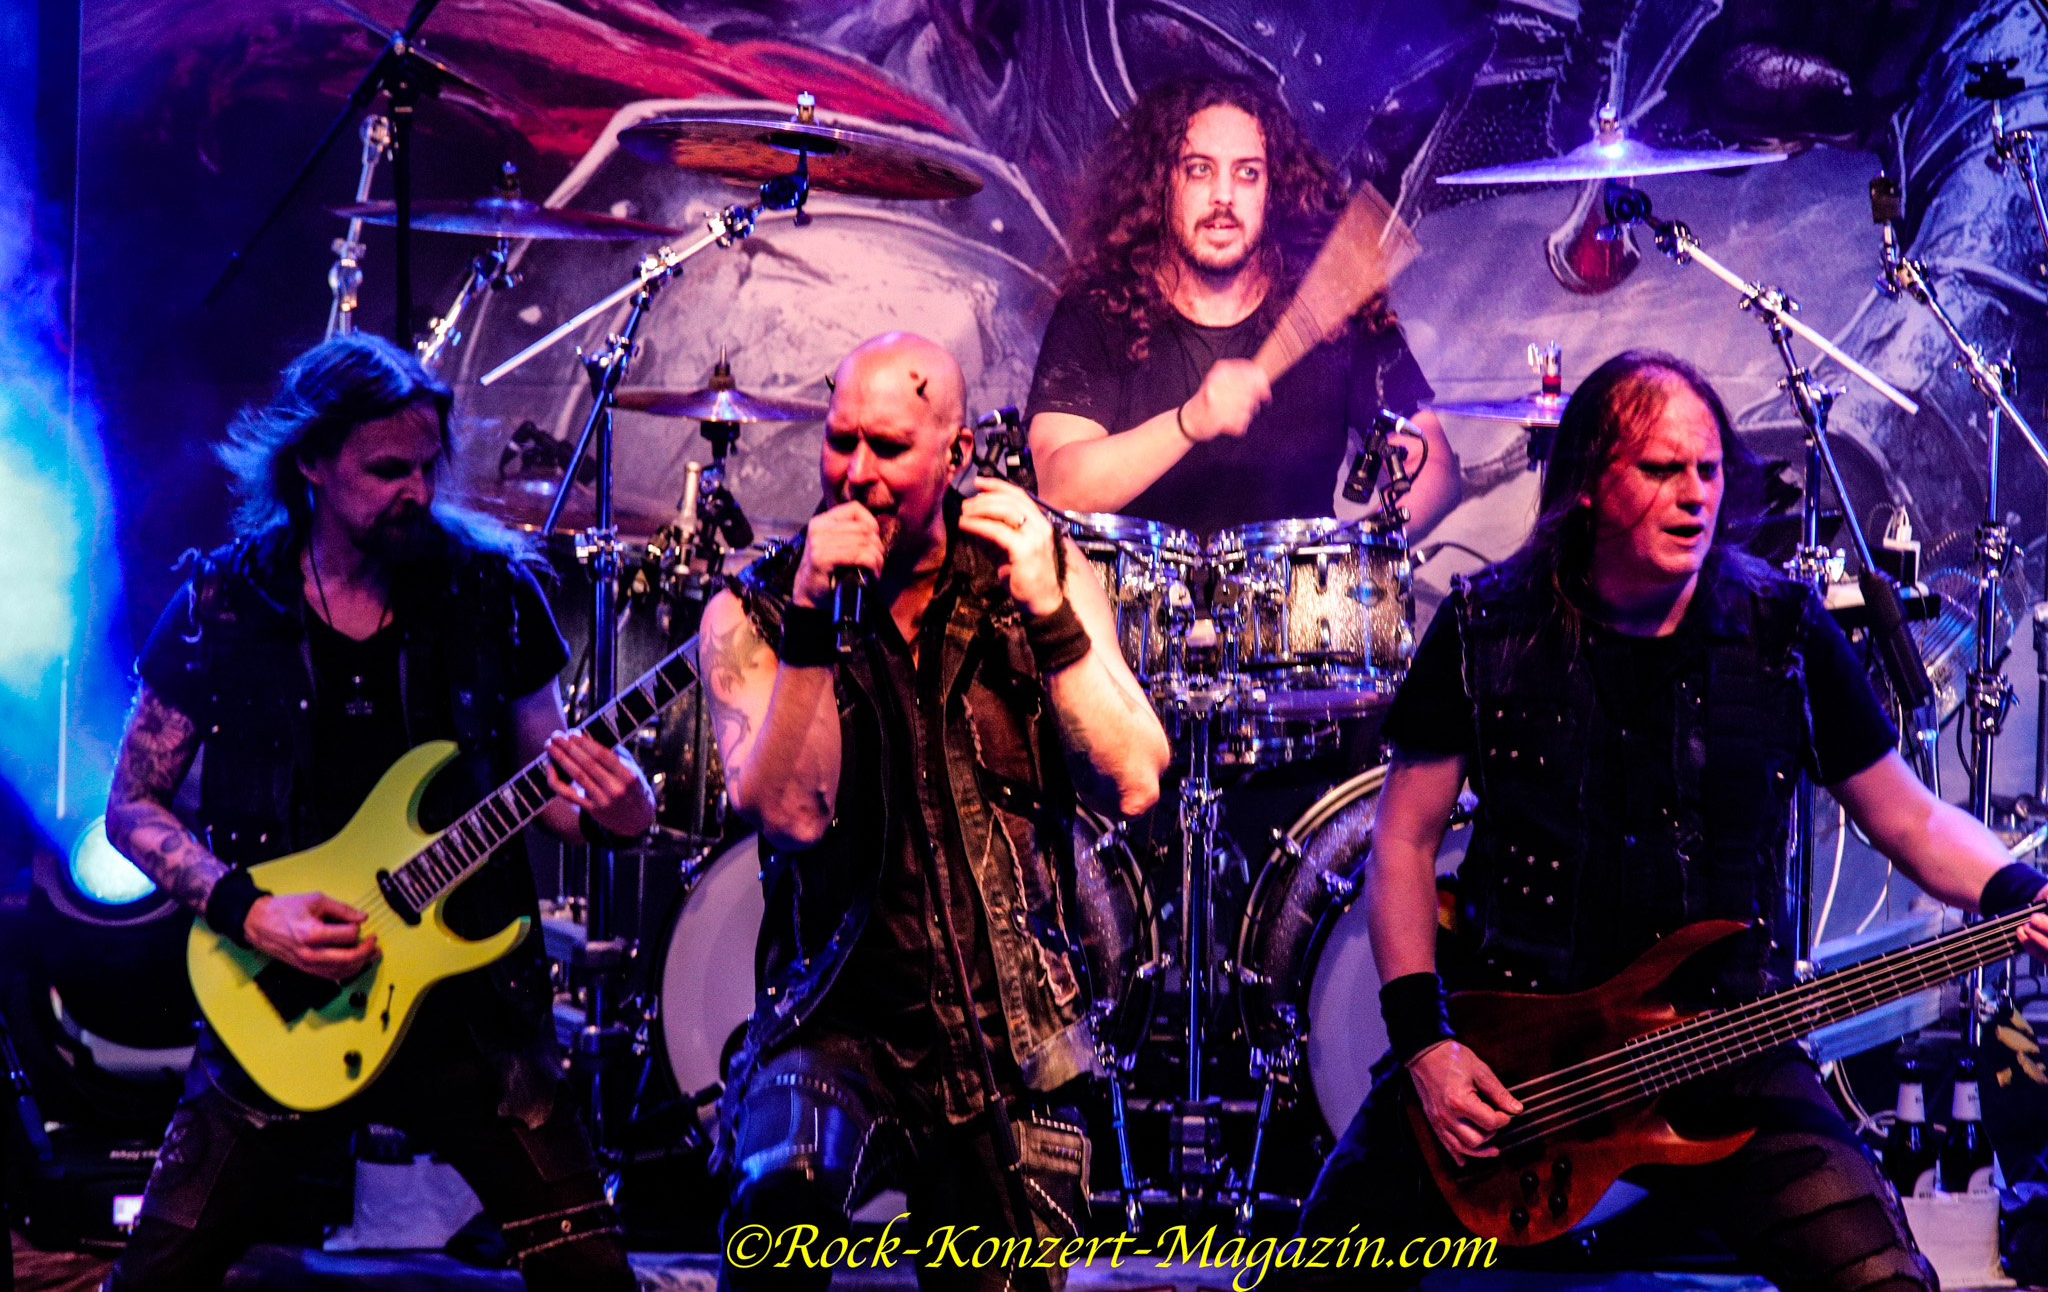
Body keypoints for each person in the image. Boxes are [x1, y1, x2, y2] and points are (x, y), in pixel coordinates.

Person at [1292, 350, 2048, 1291]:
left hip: (1724, 1048)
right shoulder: (1486, 627)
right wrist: (1424, 1047)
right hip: (1516, 1059)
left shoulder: (1782, 630)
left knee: (1885, 1284)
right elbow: (1402, 842)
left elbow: (1913, 821)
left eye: (1708, 469)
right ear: (1587, 482)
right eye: (1659, 469)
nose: (1694, 495)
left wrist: (2019, 890)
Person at [103, 335, 654, 1291]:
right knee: (155, 1281)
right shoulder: (223, 604)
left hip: (474, 1011)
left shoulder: (492, 593)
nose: (418, 491)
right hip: (282, 995)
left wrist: (620, 809)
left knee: (595, 1279)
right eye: (388, 469)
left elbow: (555, 791)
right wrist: (248, 910)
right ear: (311, 463)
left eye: (429, 466)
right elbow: (131, 807)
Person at [699, 331, 1171, 1289]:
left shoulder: (1034, 567)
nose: (856, 473)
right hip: (836, 1019)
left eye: (888, 447)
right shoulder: (757, 611)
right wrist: (811, 626)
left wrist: (1050, 612)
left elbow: (1136, 775)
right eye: (841, 441)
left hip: (1010, 1031)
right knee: (778, 1198)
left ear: (956, 454)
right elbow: (790, 814)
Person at [1024, 73, 1460, 540]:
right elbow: (1057, 487)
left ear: (1272, 189)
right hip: (1128, 588)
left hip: (1300, 586)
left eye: (1247, 173)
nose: (1224, 196)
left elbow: (1433, 464)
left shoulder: (1335, 312)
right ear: (1162, 183)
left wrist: (1359, 550)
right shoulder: (1099, 310)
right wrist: (1189, 422)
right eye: (1199, 169)